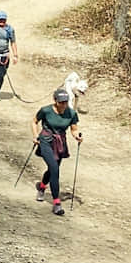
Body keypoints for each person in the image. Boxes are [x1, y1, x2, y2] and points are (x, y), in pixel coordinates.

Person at [33, 87, 82, 216]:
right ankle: (56, 203)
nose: (64, 105)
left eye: (65, 102)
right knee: (54, 169)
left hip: (60, 143)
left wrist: (77, 136)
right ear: (55, 101)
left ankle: (42, 187)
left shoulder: (71, 113)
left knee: (52, 170)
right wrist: (35, 135)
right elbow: (34, 121)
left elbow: (74, 129)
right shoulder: (46, 110)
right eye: (61, 102)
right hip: (45, 140)